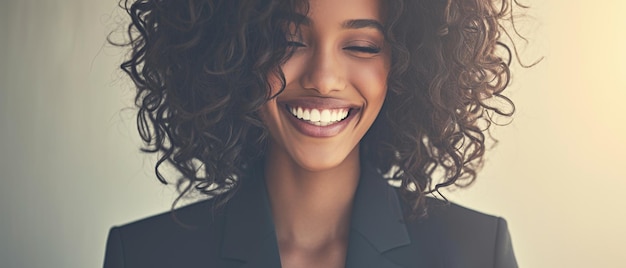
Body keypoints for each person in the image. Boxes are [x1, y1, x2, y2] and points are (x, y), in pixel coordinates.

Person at [104, 0, 524, 267]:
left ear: (407, 66)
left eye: (360, 46)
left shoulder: (475, 253)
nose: (323, 79)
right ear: (232, 53)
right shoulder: (143, 255)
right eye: (288, 41)